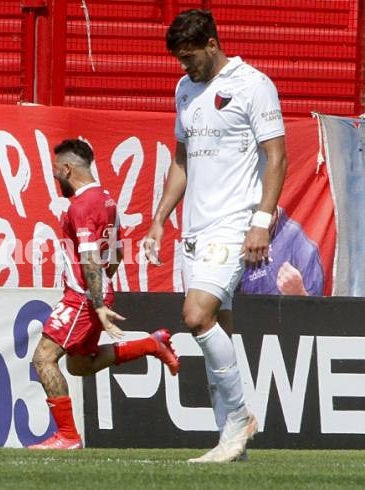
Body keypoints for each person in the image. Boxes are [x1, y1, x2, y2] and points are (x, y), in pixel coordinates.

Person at [144, 9, 288, 463]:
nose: (186, 68)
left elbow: (278, 156)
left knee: (195, 316)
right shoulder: (185, 89)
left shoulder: (253, 85)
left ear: (212, 43)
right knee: (217, 328)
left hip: (235, 222)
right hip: (195, 228)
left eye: (191, 58)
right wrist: (158, 219)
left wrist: (261, 221)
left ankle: (241, 417)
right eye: (180, 61)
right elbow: (183, 161)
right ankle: (232, 444)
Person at [27, 139, 181, 450]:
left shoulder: (82, 205)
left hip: (82, 298)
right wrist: (103, 291)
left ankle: (68, 437)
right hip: (92, 294)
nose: (55, 176)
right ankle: (151, 343)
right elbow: (118, 253)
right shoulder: (107, 201)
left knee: (43, 359)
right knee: (80, 366)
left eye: (57, 170)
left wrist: (95, 302)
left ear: (68, 169)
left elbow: (90, 259)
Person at [238, 206, 324, 296]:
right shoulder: (235, 233)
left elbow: (316, 305)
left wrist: (299, 292)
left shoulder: (296, 239)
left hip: (287, 308)